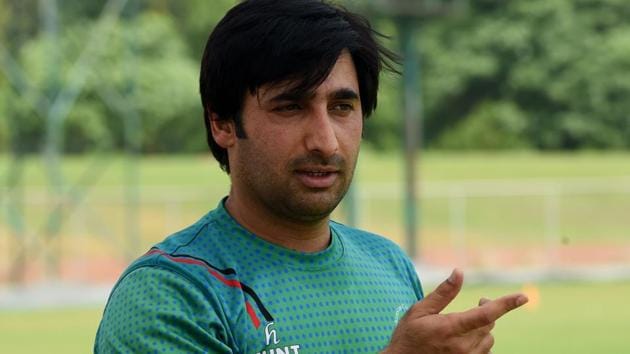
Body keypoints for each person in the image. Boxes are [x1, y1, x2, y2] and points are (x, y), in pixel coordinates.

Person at [95, 0, 528, 353]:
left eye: (342, 108)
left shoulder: (388, 263)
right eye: (290, 107)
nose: (326, 141)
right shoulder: (170, 296)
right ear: (222, 123)